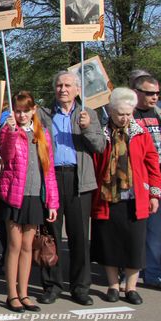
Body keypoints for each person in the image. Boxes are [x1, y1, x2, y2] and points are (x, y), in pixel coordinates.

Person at [35, 71, 106, 306]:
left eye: (67, 85)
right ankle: (52, 285)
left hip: (79, 180)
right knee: (50, 236)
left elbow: (99, 147)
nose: (62, 89)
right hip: (52, 179)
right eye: (58, 85)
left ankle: (80, 287)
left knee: (79, 237)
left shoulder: (88, 114)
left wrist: (86, 128)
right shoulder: (43, 114)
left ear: (77, 89)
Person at [91, 88, 161, 305]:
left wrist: (154, 194)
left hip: (136, 197)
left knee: (135, 243)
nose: (124, 117)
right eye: (120, 113)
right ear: (111, 111)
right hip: (108, 197)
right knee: (109, 242)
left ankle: (131, 287)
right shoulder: (101, 135)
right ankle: (113, 285)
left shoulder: (140, 133)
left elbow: (153, 164)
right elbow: (95, 165)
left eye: (128, 113)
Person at [0, 91, 60, 313]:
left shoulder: (42, 134)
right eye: (18, 110)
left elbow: (49, 170)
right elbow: (5, 155)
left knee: (27, 247)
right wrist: (13, 132)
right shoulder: (8, 130)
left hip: (35, 197)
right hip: (15, 196)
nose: (22, 115)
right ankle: (11, 294)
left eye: (26, 110)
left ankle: (24, 293)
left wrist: (52, 202)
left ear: (34, 110)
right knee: (14, 246)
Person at [132, 74, 161, 291]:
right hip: (133, 182)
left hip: (158, 182)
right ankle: (129, 273)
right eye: (149, 93)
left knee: (156, 232)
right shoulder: (127, 113)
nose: (154, 97)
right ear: (137, 92)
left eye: (157, 93)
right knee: (133, 231)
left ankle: (152, 274)